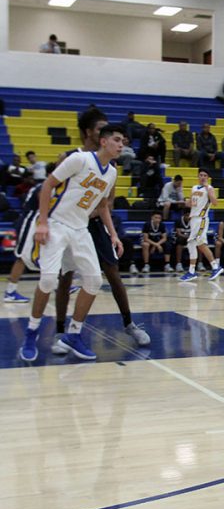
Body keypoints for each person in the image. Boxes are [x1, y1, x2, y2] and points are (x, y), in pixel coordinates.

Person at [46, 109, 150, 354]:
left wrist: (110, 230)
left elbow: (106, 203)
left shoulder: (110, 167)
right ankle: (62, 331)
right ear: (90, 133)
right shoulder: (70, 158)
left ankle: (129, 324)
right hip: (69, 222)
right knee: (65, 276)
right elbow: (53, 192)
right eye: (101, 127)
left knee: (112, 272)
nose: (115, 137)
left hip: (92, 224)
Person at [18, 124, 125, 361]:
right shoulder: (80, 160)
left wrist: (113, 234)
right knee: (47, 280)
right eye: (117, 140)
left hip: (80, 228)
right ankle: (31, 333)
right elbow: (47, 185)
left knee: (95, 280)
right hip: (56, 223)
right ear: (104, 141)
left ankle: (73, 334)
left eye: (123, 142)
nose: (121, 145)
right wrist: (43, 222)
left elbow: (102, 205)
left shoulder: (112, 173)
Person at [5, 162, 54, 303]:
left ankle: (57, 284)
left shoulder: (48, 186)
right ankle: (10, 292)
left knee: (47, 254)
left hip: (36, 221)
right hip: (29, 220)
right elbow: (45, 205)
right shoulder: (44, 187)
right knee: (22, 256)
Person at [179, 168, 224, 282]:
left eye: (205, 175)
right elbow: (191, 203)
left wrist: (209, 192)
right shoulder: (194, 188)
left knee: (200, 243)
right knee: (192, 244)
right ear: (198, 177)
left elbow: (215, 202)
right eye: (201, 175)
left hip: (201, 219)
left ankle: (215, 267)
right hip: (193, 219)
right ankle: (192, 271)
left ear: (208, 177)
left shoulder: (209, 188)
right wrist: (187, 202)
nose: (202, 177)